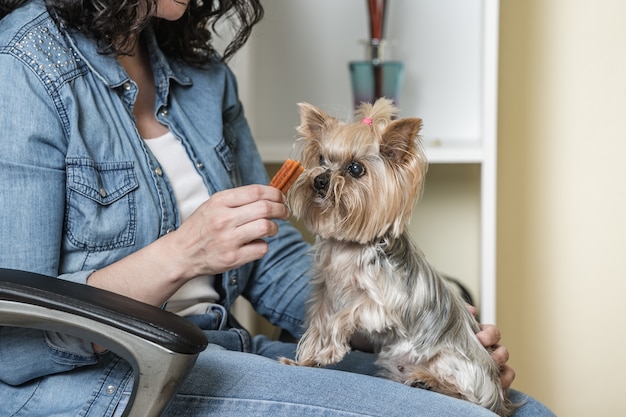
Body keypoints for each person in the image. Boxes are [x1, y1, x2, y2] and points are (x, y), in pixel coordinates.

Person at [0, 1, 555, 416]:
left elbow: (271, 257)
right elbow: (18, 333)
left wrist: (430, 336)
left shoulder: (203, 74)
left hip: (221, 347)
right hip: (109, 373)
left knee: (519, 410)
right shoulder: (21, 69)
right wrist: (182, 254)